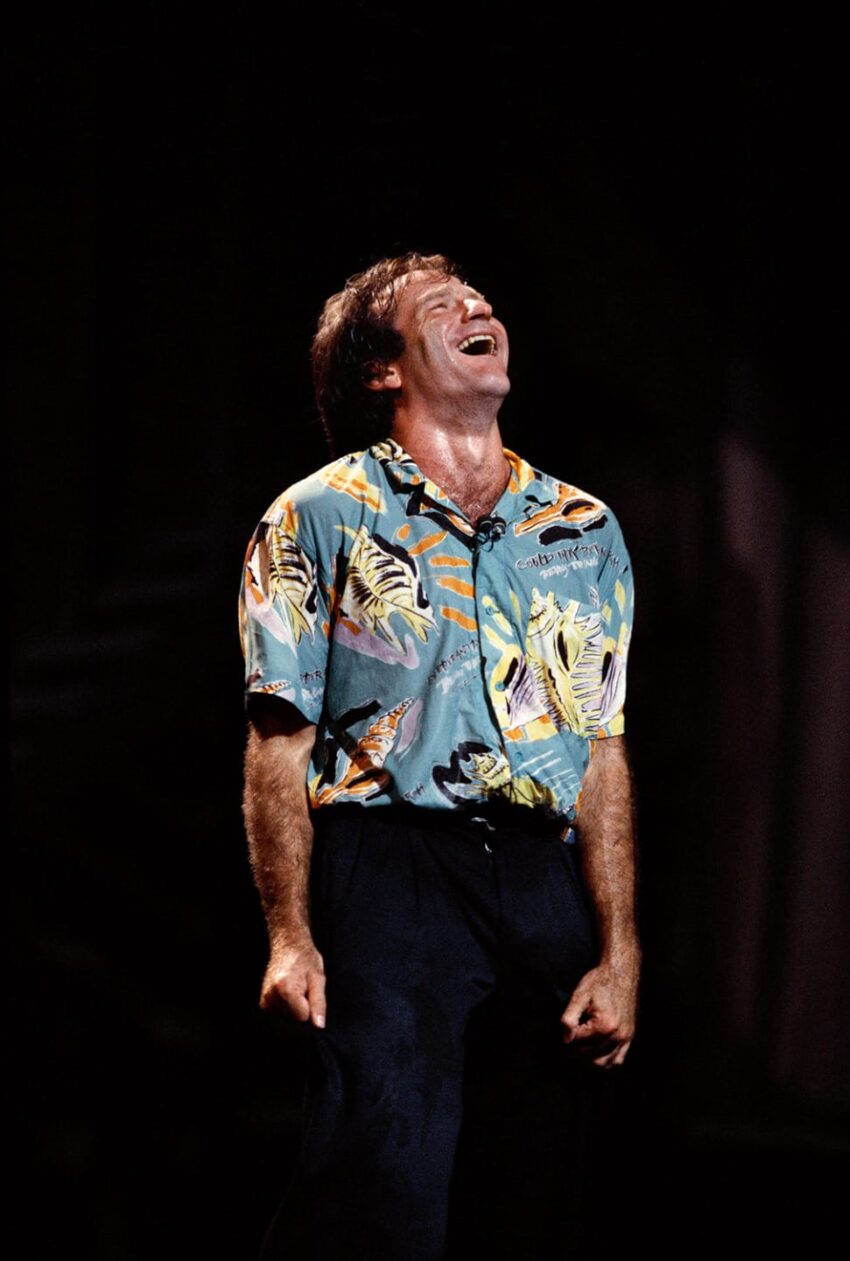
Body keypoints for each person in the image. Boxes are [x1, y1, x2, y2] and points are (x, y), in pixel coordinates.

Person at [238, 252, 640, 1259]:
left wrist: (619, 948)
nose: (479, 308)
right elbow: (277, 744)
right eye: (441, 305)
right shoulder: (318, 515)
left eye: (482, 300)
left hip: (542, 880)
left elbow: (599, 748)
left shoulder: (581, 525)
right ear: (384, 366)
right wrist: (290, 933)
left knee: (534, 1197)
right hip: (393, 869)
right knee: (382, 1189)